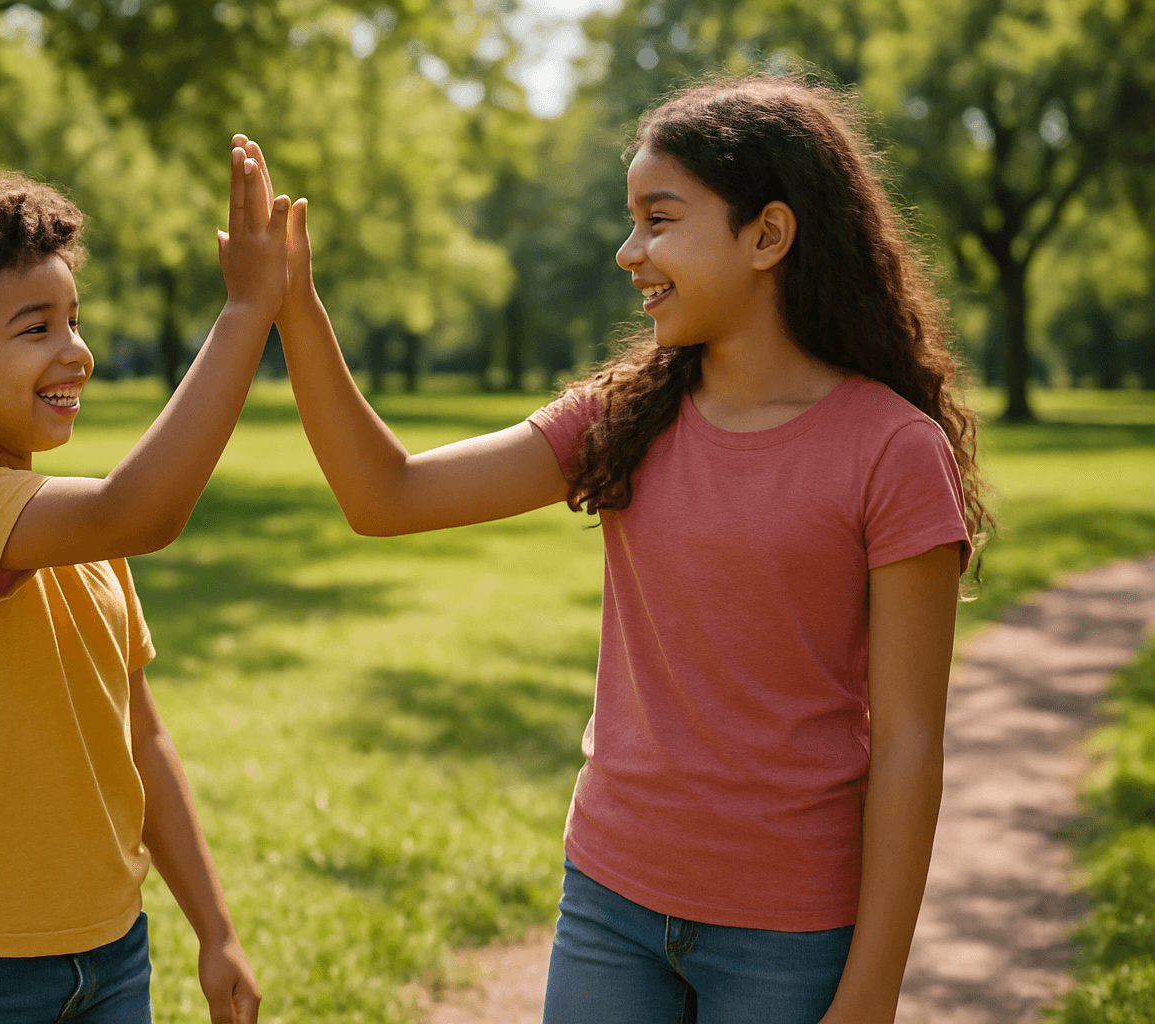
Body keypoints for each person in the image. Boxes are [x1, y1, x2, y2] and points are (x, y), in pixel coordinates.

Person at [263, 75, 991, 1024]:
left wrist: (871, 995)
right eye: (631, 220)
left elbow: (906, 751)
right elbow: (386, 496)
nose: (628, 251)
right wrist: (296, 309)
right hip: (610, 901)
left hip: (790, 932)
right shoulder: (621, 417)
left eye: (660, 219)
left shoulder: (892, 452)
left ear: (767, 235)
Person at [0, 140, 290, 1024]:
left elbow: (143, 737)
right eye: (36, 327)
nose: (77, 352)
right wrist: (245, 310)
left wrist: (215, 929)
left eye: (74, 319)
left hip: (109, 949)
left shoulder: (81, 527)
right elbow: (144, 509)